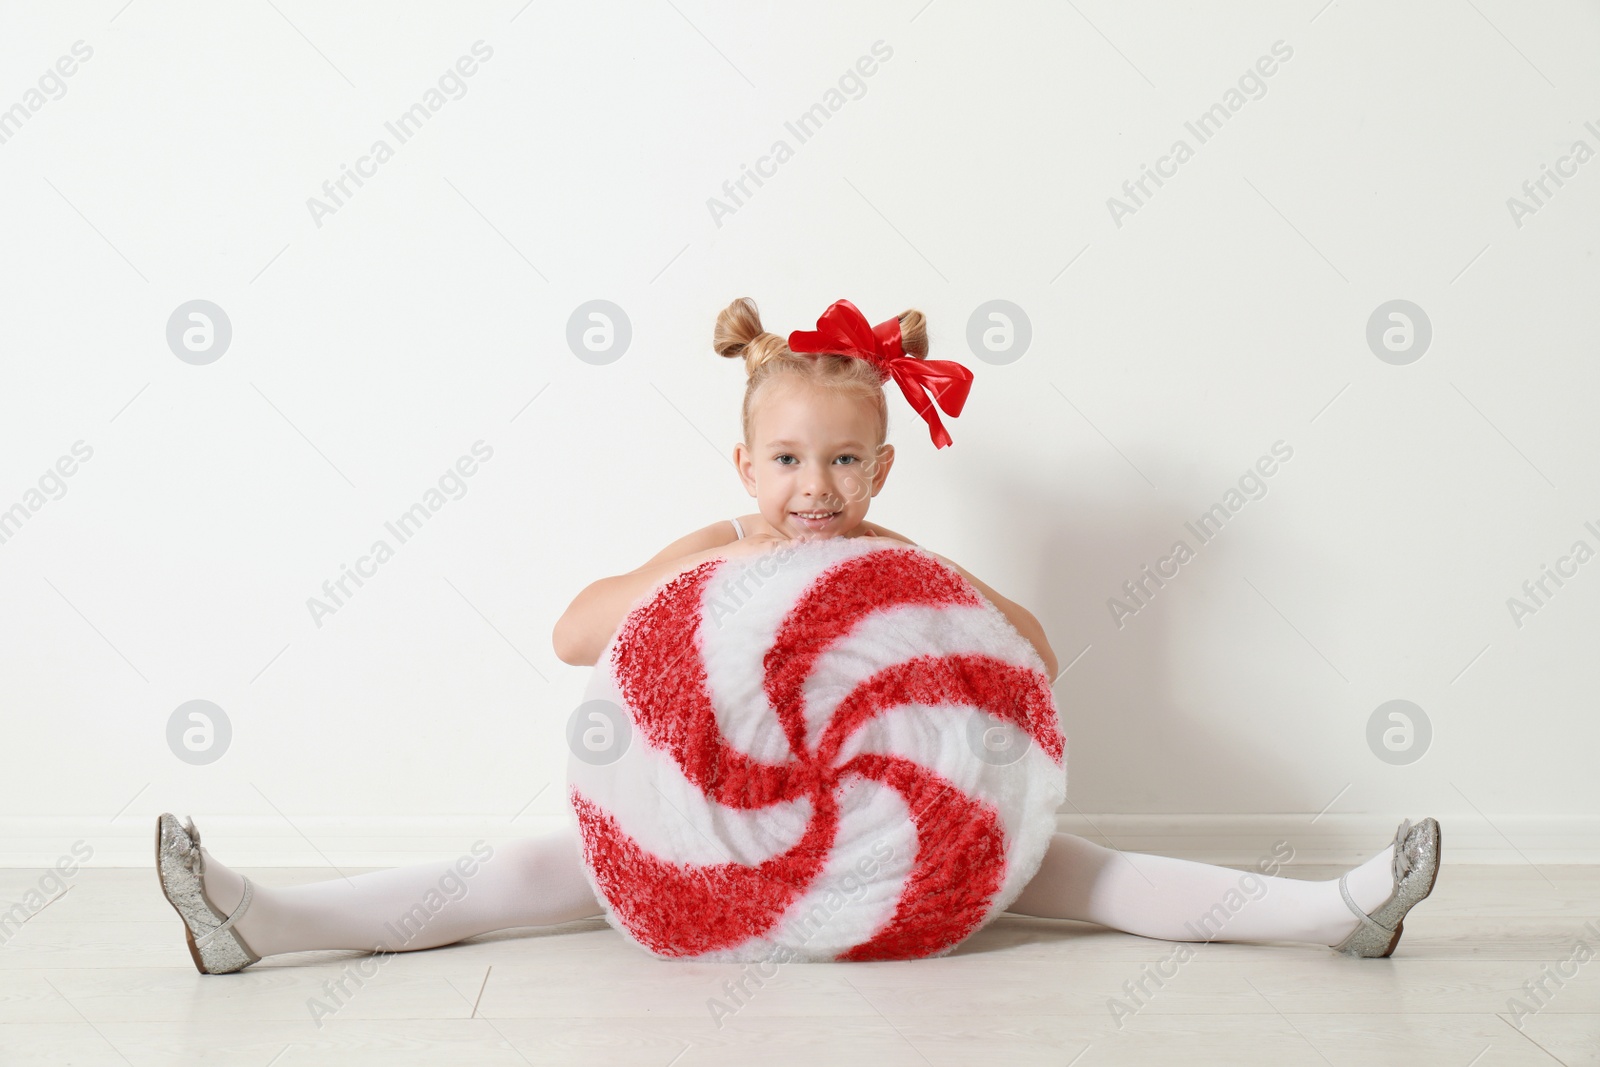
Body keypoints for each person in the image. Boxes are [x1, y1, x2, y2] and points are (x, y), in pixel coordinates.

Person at [156, 296, 1440, 975]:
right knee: (522, 876)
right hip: (708, 840)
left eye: (840, 459)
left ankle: (1336, 911)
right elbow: (572, 630)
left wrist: (938, 611)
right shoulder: (722, 546)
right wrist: (723, 567)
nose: (811, 486)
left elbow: (1032, 649)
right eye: (784, 458)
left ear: (883, 467)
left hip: (890, 857)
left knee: (1083, 870)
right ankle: (264, 919)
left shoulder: (895, 570)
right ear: (744, 460)